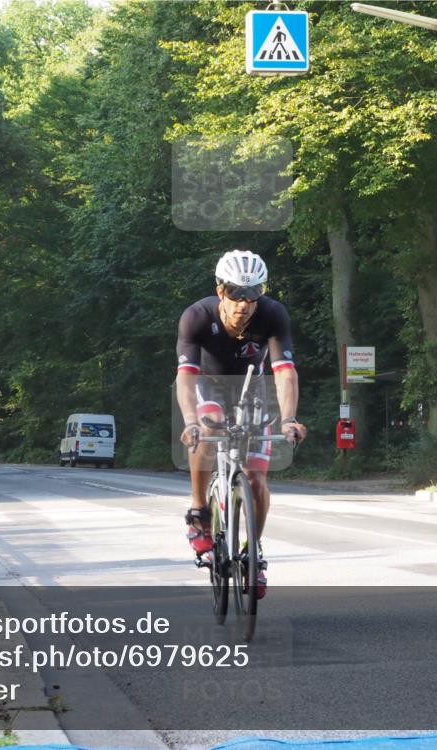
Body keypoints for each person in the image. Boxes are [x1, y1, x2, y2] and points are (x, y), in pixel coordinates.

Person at [176, 249, 307, 599]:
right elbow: (185, 379)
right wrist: (191, 422)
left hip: (252, 392)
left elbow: (285, 373)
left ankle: (253, 552)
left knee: (257, 480)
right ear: (221, 290)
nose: (244, 303)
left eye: (253, 293)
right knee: (209, 423)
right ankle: (199, 509)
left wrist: (290, 418)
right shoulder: (197, 317)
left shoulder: (273, 315)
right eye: (236, 292)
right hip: (210, 387)